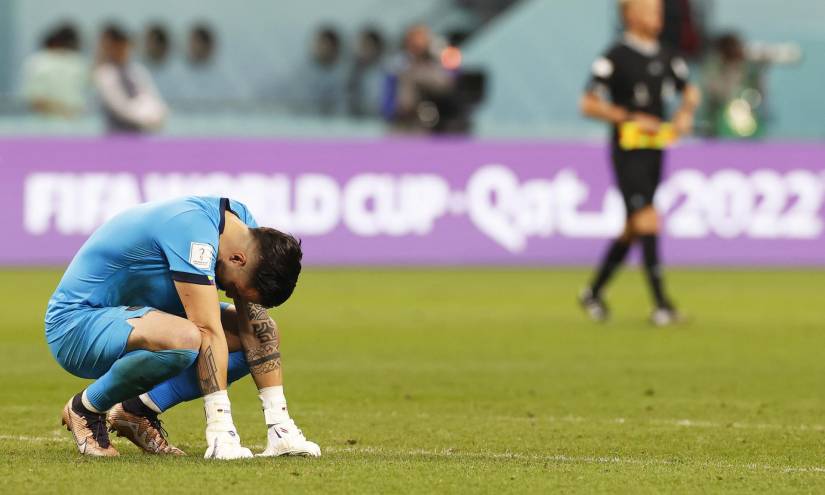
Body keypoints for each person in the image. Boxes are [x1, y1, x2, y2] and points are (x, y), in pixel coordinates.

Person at [47, 196, 320, 459]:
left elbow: (254, 327)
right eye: (235, 288)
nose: (226, 291)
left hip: (141, 320)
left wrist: (278, 423)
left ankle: (135, 410)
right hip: (75, 327)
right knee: (188, 337)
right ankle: (86, 408)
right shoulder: (193, 231)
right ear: (238, 259)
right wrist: (221, 431)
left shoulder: (244, 229)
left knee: (263, 330)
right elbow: (207, 331)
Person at [577, 0, 700, 326]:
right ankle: (662, 305)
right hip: (626, 151)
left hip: (655, 151)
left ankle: (593, 291)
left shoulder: (668, 56)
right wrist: (629, 117)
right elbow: (588, 103)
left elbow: (690, 92)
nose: (658, 17)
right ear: (630, 15)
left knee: (634, 228)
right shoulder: (615, 57)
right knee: (648, 219)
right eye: (651, 11)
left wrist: (684, 115)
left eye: (659, 11)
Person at [93, 24, 167, 133]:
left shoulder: (138, 71)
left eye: (126, 46)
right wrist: (145, 117)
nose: (123, 51)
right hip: (115, 135)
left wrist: (158, 113)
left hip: (139, 133)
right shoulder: (105, 74)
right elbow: (119, 107)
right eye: (119, 47)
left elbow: (152, 96)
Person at [384, 25, 454, 133]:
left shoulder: (436, 66)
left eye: (420, 41)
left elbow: (446, 85)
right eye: (413, 42)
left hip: (431, 124)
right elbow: (389, 101)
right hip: (404, 124)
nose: (417, 46)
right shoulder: (400, 67)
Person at [20, 22, 88, 117]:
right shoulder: (78, 62)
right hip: (76, 120)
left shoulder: (36, 62)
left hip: (43, 123)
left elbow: (34, 101)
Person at [347, 27, 386, 117]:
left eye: (366, 46)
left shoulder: (386, 71)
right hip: (357, 120)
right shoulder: (353, 71)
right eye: (360, 46)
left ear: (377, 48)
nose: (362, 50)